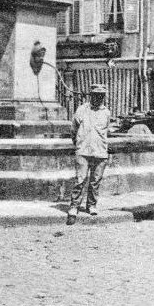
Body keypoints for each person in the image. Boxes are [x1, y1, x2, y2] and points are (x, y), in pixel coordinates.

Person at [66, 84, 111, 225]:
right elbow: (73, 130)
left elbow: (106, 132)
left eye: (101, 95)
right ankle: (74, 207)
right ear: (91, 96)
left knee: (95, 181)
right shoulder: (82, 110)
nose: (99, 98)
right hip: (83, 151)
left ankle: (91, 205)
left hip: (100, 151)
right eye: (96, 95)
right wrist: (79, 144)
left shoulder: (106, 112)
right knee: (80, 180)